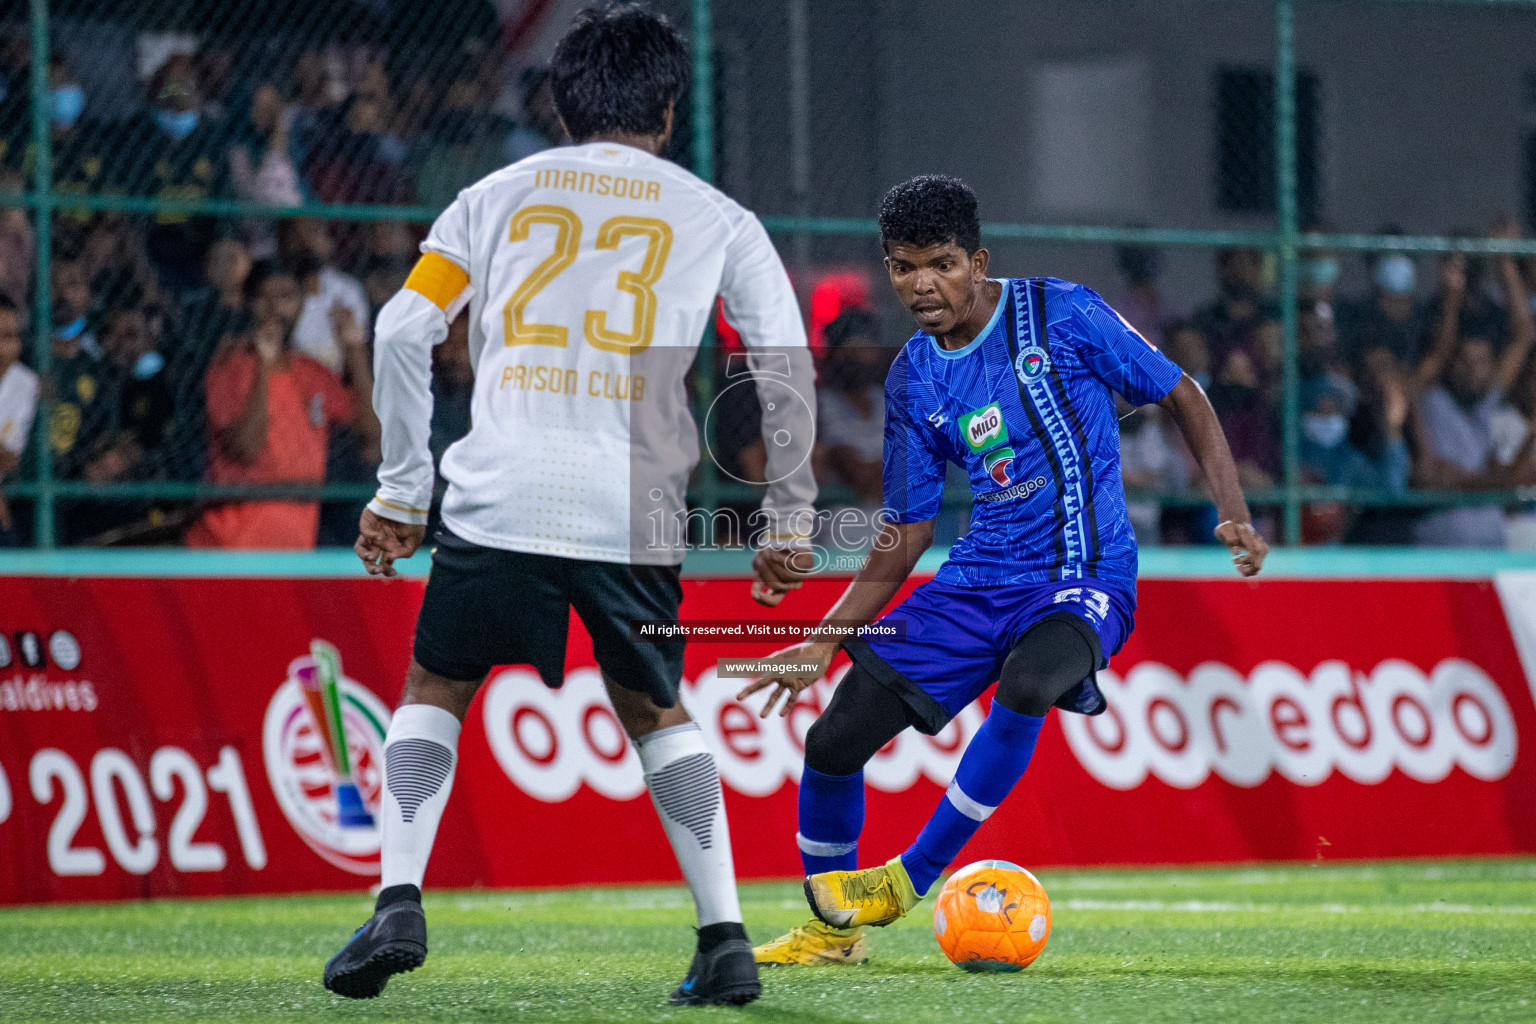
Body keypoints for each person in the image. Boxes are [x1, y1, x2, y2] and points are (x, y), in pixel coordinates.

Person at [325, 5, 817, 1008]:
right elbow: (781, 361)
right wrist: (792, 512)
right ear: (670, 110)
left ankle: (399, 899)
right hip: (634, 500)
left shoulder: (491, 197)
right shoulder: (721, 218)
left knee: (437, 685)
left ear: (557, 103)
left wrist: (402, 490)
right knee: (653, 707)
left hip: (500, 487)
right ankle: (725, 936)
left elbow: (401, 329)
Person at [741, 175, 1266, 966]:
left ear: (977, 262)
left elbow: (1182, 393)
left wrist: (1233, 510)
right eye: (903, 266)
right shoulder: (915, 376)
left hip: (1083, 575)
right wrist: (820, 645)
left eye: (941, 264)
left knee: (1028, 683)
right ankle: (829, 936)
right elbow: (908, 530)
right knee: (832, 741)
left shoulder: (1064, 312)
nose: (922, 284)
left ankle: (908, 879)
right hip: (977, 580)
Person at [184, 261, 377, 549]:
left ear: (301, 304)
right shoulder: (229, 367)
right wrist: (263, 362)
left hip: (294, 540)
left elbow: (374, 432)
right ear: (248, 304)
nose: (275, 308)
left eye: (286, 297)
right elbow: (247, 447)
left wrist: (354, 349)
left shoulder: (312, 373)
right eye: (264, 298)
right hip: (230, 543)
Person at [1410, 224, 1536, 547]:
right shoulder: (1430, 400)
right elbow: (1439, 353)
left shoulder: (1485, 403)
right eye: (1465, 362)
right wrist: (1451, 299)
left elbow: (1523, 337)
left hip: (1491, 558)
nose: (1474, 371)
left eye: (1482, 362)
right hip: (1440, 560)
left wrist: (1505, 262)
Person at [0, 294, 37, 540]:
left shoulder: (26, 383)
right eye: (3, 336)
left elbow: (10, 458)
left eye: (14, 336)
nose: (12, 344)